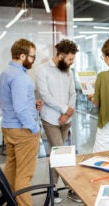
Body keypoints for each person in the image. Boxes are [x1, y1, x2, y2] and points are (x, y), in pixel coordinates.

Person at [0, 38, 43, 206]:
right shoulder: (20, 78)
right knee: (24, 175)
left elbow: (10, 101)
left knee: (11, 168)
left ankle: (10, 201)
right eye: (32, 57)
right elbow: (20, 109)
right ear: (22, 56)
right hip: (23, 132)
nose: (33, 60)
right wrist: (34, 127)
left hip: (8, 128)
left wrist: (32, 104)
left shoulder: (5, 74)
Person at [35, 39, 81, 203]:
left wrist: (68, 113)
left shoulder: (68, 71)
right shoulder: (42, 70)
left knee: (58, 154)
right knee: (61, 153)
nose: (71, 62)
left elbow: (73, 94)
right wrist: (64, 110)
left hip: (66, 118)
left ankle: (52, 187)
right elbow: (45, 95)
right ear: (60, 56)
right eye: (69, 59)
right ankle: (71, 188)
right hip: (50, 119)